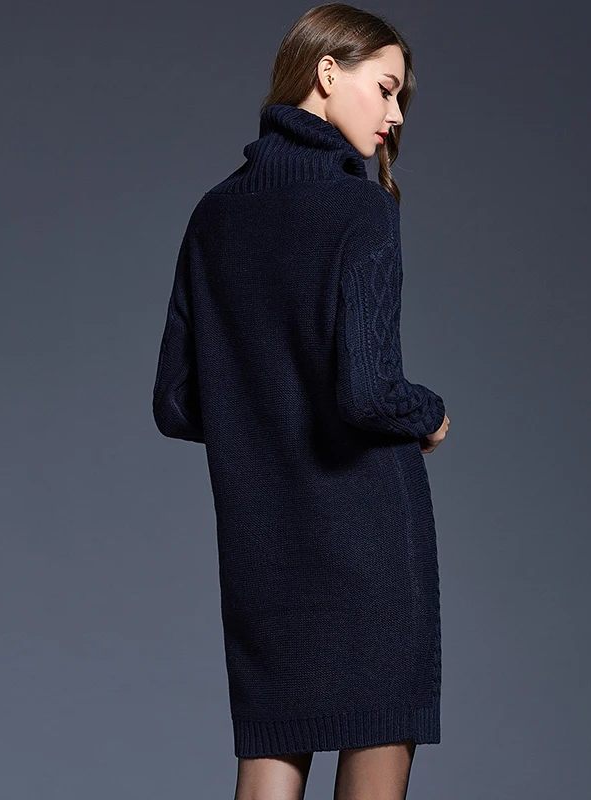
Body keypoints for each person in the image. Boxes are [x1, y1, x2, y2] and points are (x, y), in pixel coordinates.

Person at [152, 3, 450, 798]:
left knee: (269, 765)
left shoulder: (215, 214)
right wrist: (429, 413)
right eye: (386, 89)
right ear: (326, 72)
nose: (394, 115)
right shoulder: (361, 209)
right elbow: (370, 392)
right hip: (370, 546)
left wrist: (260, 410)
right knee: (375, 755)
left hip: (263, 548)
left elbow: (176, 402)